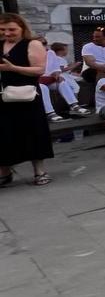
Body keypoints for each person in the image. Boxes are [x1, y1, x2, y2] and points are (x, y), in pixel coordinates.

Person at [0, 13, 54, 186]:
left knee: (32, 131)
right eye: (2, 29)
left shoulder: (32, 44)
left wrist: (12, 68)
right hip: (2, 94)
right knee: (4, 133)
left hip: (26, 94)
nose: (7, 33)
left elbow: (39, 70)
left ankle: (39, 171)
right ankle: (5, 171)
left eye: (12, 29)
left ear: (22, 28)